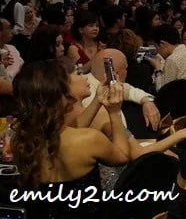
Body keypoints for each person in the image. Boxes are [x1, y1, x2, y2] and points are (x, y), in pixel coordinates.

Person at [12, 59, 129, 216]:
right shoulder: (89, 139)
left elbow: (67, 133)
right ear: (62, 95)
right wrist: (114, 112)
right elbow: (122, 156)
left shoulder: (22, 140)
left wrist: (97, 100)